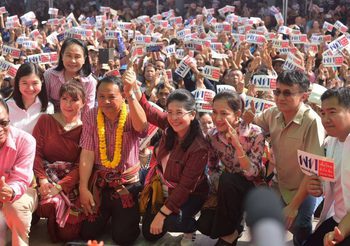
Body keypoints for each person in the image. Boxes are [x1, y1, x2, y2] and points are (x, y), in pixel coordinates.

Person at [243, 70, 326, 246]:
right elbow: (254, 126)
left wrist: (293, 206)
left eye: (287, 93)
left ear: (304, 96)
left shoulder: (312, 121)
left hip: (306, 186)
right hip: (279, 185)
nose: (280, 97)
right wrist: (247, 117)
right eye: (277, 91)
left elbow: (313, 170)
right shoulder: (273, 113)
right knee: (261, 220)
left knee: (301, 227)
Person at [133, 84, 209, 245]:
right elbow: (148, 110)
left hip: (189, 195)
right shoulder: (169, 127)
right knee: (149, 234)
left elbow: (185, 187)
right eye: (170, 112)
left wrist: (161, 215)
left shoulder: (199, 147)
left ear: (192, 114)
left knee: (172, 222)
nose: (174, 118)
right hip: (163, 186)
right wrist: (133, 86)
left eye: (179, 113)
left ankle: (190, 228)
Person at [79, 72, 148, 245]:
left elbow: (143, 129)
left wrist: (131, 94)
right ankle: (109, 216)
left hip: (126, 185)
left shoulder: (130, 110)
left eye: (112, 97)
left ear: (123, 96)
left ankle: (119, 218)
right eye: (101, 96)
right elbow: (87, 152)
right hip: (100, 184)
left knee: (124, 238)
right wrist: (83, 188)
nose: (106, 101)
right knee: (87, 233)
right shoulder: (91, 115)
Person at [197, 91, 265, 246]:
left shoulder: (255, 133)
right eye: (214, 112)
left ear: (237, 114)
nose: (217, 118)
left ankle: (229, 235)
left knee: (229, 179)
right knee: (204, 225)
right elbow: (212, 166)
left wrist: (238, 146)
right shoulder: (213, 135)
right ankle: (234, 229)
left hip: (252, 188)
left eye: (224, 113)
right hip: (227, 189)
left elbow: (253, 174)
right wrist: (216, 189)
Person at [32, 81, 86, 242]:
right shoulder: (45, 120)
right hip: (44, 177)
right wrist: (42, 179)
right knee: (46, 205)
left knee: (68, 235)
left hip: (70, 182)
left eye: (74, 99)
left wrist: (60, 186)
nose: (68, 104)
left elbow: (81, 165)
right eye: (64, 99)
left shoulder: (85, 129)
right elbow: (35, 153)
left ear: (83, 103)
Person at [305, 87, 350, 246]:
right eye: (323, 113)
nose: (325, 119)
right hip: (337, 219)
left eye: (332, 112)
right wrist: (318, 187)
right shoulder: (330, 143)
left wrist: (342, 231)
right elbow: (332, 186)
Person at [0, 97, 38, 246]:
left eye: (3, 123)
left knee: (14, 206)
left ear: (9, 120)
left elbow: (22, 179)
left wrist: (11, 191)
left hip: (20, 193)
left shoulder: (25, 141)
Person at [44, 38, 97, 114]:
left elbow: (87, 112)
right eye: (69, 55)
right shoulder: (49, 75)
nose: (73, 61)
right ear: (62, 56)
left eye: (77, 56)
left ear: (84, 59)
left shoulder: (90, 82)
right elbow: (43, 103)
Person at [7, 63, 54, 134]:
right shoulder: (6, 106)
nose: (30, 88)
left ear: (42, 81)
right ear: (18, 82)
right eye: (24, 83)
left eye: (35, 83)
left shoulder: (48, 108)